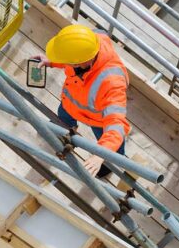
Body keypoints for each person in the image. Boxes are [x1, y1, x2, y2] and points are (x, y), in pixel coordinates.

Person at [40, 24, 130, 178]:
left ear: (79, 63)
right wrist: (52, 61)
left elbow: (115, 126)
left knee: (112, 147)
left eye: (66, 62)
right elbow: (71, 55)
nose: (65, 64)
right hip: (69, 104)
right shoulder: (86, 42)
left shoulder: (112, 83)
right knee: (63, 118)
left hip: (97, 120)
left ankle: (110, 163)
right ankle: (65, 134)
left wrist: (100, 155)